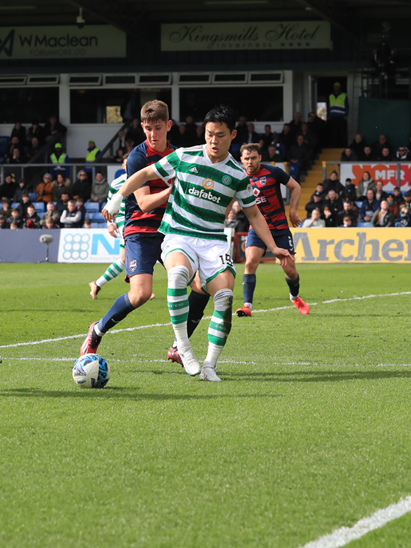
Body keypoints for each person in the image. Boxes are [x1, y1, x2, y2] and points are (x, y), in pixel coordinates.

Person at [101, 105, 292, 382]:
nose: (213, 141)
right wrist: (117, 198)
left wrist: (273, 247)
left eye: (220, 135)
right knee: (177, 274)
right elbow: (143, 175)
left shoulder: (238, 174)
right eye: (209, 134)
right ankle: (184, 348)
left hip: (213, 241)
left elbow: (253, 213)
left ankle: (210, 366)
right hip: (179, 234)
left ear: (233, 135)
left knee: (225, 297)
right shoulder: (184, 155)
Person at [79, 100, 176, 361]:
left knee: (200, 284)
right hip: (141, 229)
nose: (152, 134)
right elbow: (144, 203)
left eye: (157, 128)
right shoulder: (138, 156)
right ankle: (97, 331)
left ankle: (179, 347)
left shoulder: (177, 156)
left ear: (168, 125)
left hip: (169, 230)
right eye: (147, 129)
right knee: (141, 294)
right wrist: (174, 191)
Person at [234, 143, 307, 317]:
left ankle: (295, 296)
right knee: (250, 261)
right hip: (257, 229)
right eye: (246, 159)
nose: (250, 162)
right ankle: (247, 306)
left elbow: (296, 187)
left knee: (290, 270)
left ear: (260, 157)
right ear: (241, 160)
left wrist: (293, 211)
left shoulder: (273, 172)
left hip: (279, 228)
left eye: (253, 158)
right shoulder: (239, 178)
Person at [89, 156, 130, 299]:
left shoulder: (142, 179)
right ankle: (139, 288)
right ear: (123, 166)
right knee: (128, 257)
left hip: (137, 220)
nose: (130, 165)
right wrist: (110, 224)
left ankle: (97, 283)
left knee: (125, 259)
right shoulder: (117, 183)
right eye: (127, 163)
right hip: (123, 220)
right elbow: (109, 205)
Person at [327, 81, 349, 147]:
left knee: (342, 133)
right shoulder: (330, 96)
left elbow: (347, 106)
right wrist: (328, 115)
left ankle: (342, 146)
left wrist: (346, 115)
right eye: (335, 87)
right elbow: (328, 106)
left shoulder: (344, 95)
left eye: (337, 86)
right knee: (334, 133)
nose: (336, 88)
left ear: (339, 87)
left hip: (341, 117)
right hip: (333, 117)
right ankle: (334, 146)